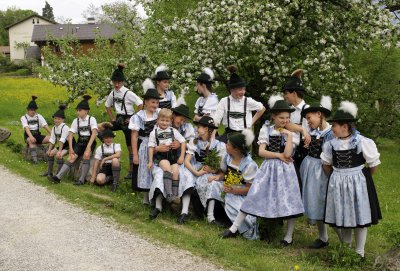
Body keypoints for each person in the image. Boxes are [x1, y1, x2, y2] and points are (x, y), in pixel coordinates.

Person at [222, 95, 304, 246]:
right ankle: (234, 228)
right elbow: (261, 152)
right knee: (254, 195)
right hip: (269, 168)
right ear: (273, 116)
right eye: (281, 117)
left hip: (286, 171)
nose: (285, 121)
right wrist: (278, 155)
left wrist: (290, 135)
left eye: (287, 118)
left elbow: (288, 154)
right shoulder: (266, 129)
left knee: (289, 200)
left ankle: (288, 236)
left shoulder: (291, 133)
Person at [321, 101, 381, 259]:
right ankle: (346, 249)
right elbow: (326, 164)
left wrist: (361, 177)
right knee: (344, 215)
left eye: (334, 125)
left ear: (345, 127)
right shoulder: (331, 144)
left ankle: (359, 251)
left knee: (360, 216)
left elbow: (373, 164)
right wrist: (337, 177)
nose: (332, 128)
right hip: (338, 183)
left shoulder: (362, 142)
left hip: (358, 183)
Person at [207, 130, 259, 239]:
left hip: (241, 193)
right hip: (228, 187)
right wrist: (217, 177)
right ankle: (210, 217)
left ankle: (240, 229)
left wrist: (233, 190)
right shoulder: (228, 157)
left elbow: (250, 189)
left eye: (228, 144)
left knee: (234, 204)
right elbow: (224, 172)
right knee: (214, 185)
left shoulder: (249, 165)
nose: (226, 145)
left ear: (236, 149)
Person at [299, 96, 336, 248]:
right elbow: (290, 126)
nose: (308, 121)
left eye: (309, 118)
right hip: (311, 169)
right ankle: (323, 238)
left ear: (319, 114)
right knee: (316, 203)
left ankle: (344, 243)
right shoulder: (312, 131)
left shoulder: (331, 132)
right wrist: (303, 130)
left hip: (323, 171)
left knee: (326, 204)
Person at [178, 116, 226, 224]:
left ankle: (210, 217)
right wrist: (196, 172)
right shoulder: (194, 142)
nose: (197, 129)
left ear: (207, 129)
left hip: (206, 170)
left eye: (199, 127)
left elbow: (219, 166)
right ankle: (184, 212)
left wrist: (212, 170)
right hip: (193, 167)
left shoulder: (218, 145)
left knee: (209, 181)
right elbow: (187, 161)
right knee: (187, 177)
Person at [105, 63, 143, 180]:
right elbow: (107, 105)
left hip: (129, 119)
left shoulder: (128, 93)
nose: (116, 84)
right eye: (114, 82)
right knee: (102, 130)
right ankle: (108, 152)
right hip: (119, 118)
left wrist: (133, 117)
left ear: (123, 82)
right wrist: (112, 118)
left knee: (130, 146)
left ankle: (132, 170)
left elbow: (140, 103)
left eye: (119, 82)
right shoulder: (112, 93)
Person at [147, 108, 186, 220]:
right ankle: (169, 195)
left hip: (173, 157)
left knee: (176, 171)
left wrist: (182, 156)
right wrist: (150, 161)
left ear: (170, 121)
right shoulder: (154, 133)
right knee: (167, 168)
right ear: (158, 120)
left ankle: (174, 197)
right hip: (162, 157)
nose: (164, 123)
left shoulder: (173, 131)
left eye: (167, 121)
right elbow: (150, 147)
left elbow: (183, 142)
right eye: (162, 120)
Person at [51, 95, 98, 185]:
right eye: (77, 110)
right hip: (80, 142)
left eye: (79, 110)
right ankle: (58, 177)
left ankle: (81, 180)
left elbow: (94, 133)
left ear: (86, 111)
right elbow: (71, 134)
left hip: (90, 142)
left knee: (86, 155)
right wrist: (71, 148)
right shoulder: (75, 121)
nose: (77, 112)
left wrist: (88, 147)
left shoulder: (92, 119)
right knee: (72, 157)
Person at [212, 65, 265, 143]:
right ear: (232, 90)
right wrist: (212, 138)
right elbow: (216, 121)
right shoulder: (224, 101)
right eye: (240, 90)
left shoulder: (248, 101)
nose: (243, 92)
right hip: (228, 135)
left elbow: (262, 108)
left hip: (243, 136)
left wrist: (250, 123)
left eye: (244, 89)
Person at [129, 79, 162, 203]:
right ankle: (146, 198)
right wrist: (135, 155)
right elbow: (134, 136)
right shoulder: (139, 116)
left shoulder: (159, 114)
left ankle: (156, 196)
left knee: (156, 168)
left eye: (157, 103)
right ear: (146, 102)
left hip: (158, 145)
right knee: (145, 170)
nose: (155, 105)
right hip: (144, 145)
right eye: (153, 102)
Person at [282, 69, 310, 169]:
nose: (285, 97)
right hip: (287, 150)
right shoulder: (289, 110)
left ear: (294, 93)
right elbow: (286, 125)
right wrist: (302, 129)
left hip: (303, 153)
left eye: (286, 93)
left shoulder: (308, 110)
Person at [40, 105, 74, 177]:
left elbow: (62, 140)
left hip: (69, 146)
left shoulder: (65, 127)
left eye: (59, 119)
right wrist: (49, 150)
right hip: (62, 145)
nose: (56, 120)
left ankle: (57, 174)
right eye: (55, 118)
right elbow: (52, 140)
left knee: (59, 155)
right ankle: (49, 172)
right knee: (51, 153)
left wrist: (59, 151)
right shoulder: (54, 128)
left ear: (62, 120)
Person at [90, 123, 121, 192]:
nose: (108, 140)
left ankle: (115, 183)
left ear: (113, 138)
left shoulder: (116, 146)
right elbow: (96, 162)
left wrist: (105, 158)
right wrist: (93, 176)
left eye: (110, 138)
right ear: (103, 139)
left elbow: (118, 155)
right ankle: (110, 178)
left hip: (114, 166)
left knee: (115, 160)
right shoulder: (100, 148)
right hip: (104, 167)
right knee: (99, 180)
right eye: (106, 138)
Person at [20, 96, 51, 164]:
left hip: (37, 135)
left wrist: (52, 134)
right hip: (28, 136)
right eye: (31, 110)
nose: (33, 111)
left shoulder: (39, 116)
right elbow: (26, 128)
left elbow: (45, 125)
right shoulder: (24, 118)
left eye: (34, 110)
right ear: (28, 110)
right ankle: (35, 160)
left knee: (52, 139)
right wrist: (31, 137)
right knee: (31, 141)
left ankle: (46, 154)